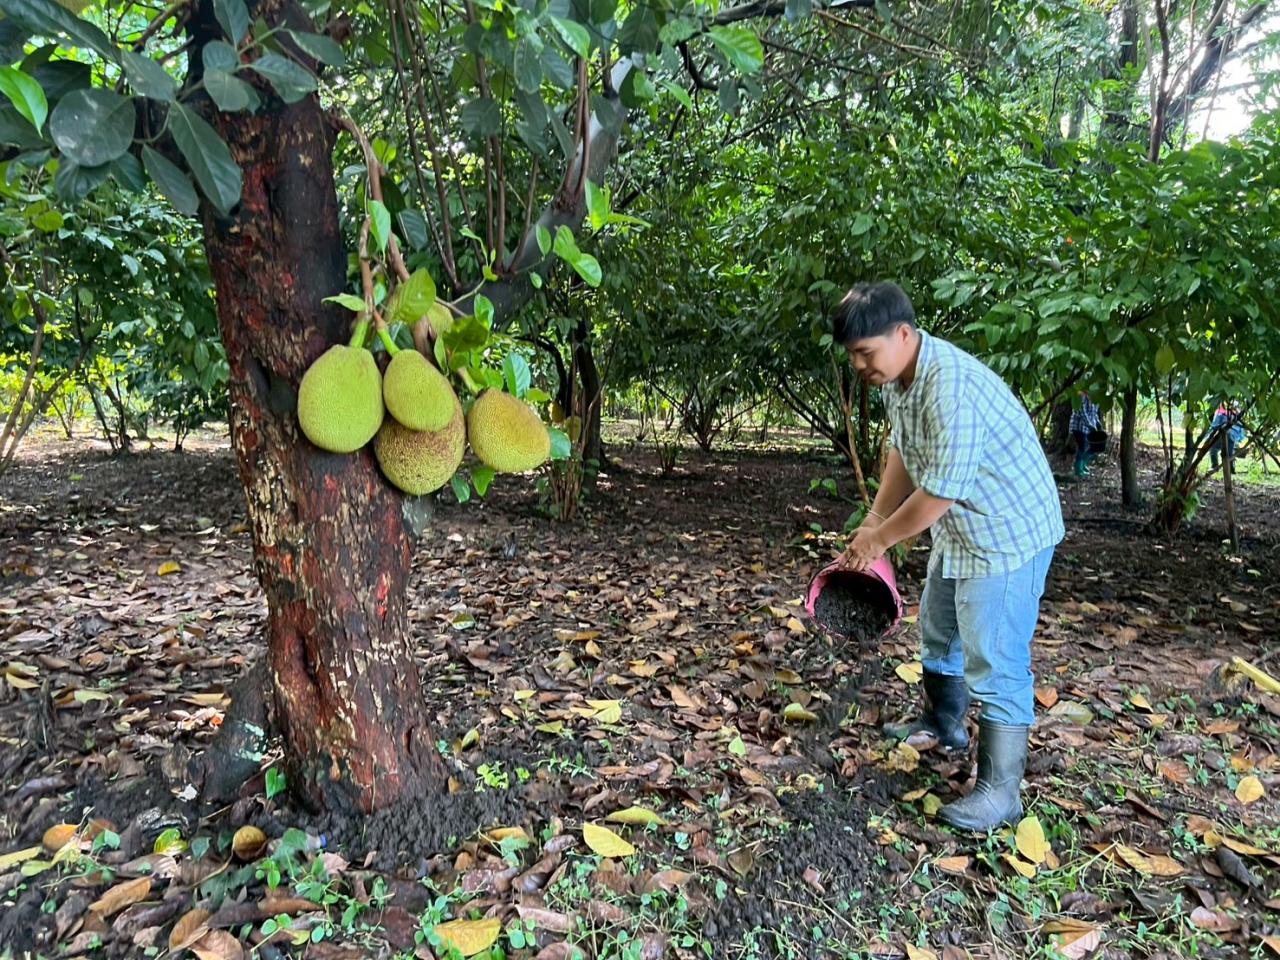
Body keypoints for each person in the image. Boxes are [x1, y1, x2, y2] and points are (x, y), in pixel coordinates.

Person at [833, 282, 1064, 832]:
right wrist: (873, 518)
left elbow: (939, 494)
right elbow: (905, 452)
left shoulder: (949, 388)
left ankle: (1000, 790)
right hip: (961, 531)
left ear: (904, 335)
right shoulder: (899, 379)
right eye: (854, 358)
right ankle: (944, 723)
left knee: (993, 652)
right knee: (938, 628)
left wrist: (881, 540)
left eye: (868, 353)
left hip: (1006, 532)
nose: (862, 366)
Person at [1069, 391, 1102, 478]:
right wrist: (1090, 425)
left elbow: (1094, 413)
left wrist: (1098, 423)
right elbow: (1081, 412)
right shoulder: (1081, 395)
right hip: (1078, 426)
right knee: (1082, 446)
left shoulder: (1097, 398)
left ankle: (1083, 464)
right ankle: (1078, 469)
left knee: (1093, 447)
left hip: (1089, 426)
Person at [1209, 402, 1245, 471]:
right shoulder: (1236, 414)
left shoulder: (1220, 413)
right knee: (1229, 453)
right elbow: (1240, 430)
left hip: (1224, 436)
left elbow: (1215, 426)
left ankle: (1215, 465)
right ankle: (1231, 467)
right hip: (1232, 437)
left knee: (1213, 448)